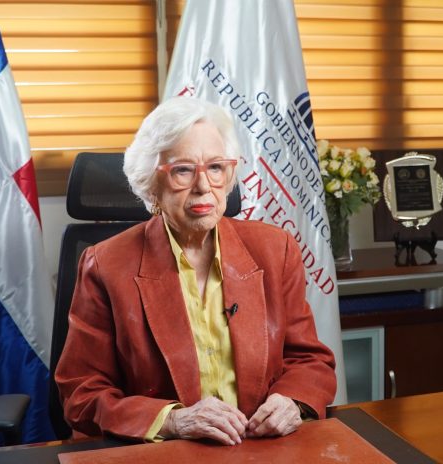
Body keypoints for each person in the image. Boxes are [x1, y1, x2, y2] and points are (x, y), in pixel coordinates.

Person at [55, 97, 336, 446]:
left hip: (258, 447)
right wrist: (173, 421)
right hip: (165, 452)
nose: (204, 186)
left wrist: (291, 400)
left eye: (216, 167)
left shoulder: (275, 250)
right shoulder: (105, 265)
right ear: (151, 183)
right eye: (183, 170)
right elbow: (81, 393)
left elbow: (309, 360)